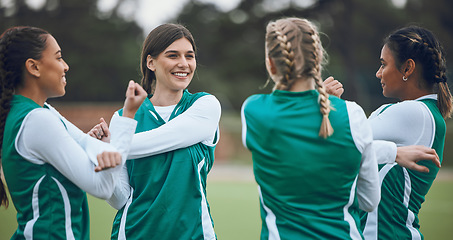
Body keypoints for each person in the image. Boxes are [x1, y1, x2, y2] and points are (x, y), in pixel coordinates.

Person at [0, 26, 147, 239]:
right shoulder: (37, 120)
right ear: (34, 67)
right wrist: (128, 115)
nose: (66, 66)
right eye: (58, 58)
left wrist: (103, 147)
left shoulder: (38, 111)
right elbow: (103, 187)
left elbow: (87, 145)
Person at [241, 17, 380, 239]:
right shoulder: (353, 114)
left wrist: (319, 96)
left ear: (271, 63)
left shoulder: (253, 111)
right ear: (318, 59)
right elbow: (369, 201)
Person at [89, 23, 221, 239]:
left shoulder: (205, 106)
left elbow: (163, 139)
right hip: (134, 233)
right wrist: (105, 153)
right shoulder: (123, 118)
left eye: (189, 56)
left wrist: (105, 147)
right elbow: (119, 198)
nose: (183, 64)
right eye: (173, 55)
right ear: (151, 62)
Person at [357, 26, 452, 240]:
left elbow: (343, 141)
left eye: (383, 64)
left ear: (408, 68)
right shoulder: (408, 111)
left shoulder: (415, 112)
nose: (378, 73)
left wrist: (324, 102)